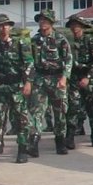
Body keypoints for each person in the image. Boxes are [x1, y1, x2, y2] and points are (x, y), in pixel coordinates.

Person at [0, 14, 34, 163]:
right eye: (0, 25)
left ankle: (22, 149)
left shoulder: (20, 43)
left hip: (16, 87)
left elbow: (29, 64)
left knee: (21, 120)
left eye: (6, 25)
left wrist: (28, 83)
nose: (4, 28)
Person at [30, 9, 72, 156]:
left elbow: (68, 60)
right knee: (36, 111)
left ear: (51, 23)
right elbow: (30, 62)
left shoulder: (60, 39)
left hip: (57, 79)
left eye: (45, 20)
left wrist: (64, 77)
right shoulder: (34, 40)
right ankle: (34, 141)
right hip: (40, 79)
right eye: (41, 20)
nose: (42, 22)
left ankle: (60, 141)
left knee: (60, 111)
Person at [64, 15, 93, 148]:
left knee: (92, 108)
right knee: (73, 108)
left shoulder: (90, 41)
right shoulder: (67, 42)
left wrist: (88, 77)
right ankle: (70, 137)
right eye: (73, 25)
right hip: (73, 79)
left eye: (77, 25)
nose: (75, 28)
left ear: (82, 27)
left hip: (88, 79)